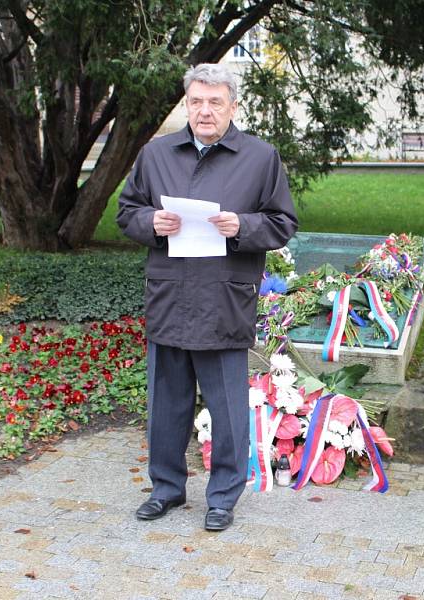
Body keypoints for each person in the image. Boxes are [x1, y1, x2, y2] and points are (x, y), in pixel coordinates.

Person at [116, 63, 298, 531]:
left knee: (228, 407)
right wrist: (149, 224)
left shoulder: (259, 158)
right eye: (196, 101)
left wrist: (244, 226)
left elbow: (282, 223)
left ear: (232, 107)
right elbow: (128, 211)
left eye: (215, 102)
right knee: (166, 404)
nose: (204, 111)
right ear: (186, 104)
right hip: (170, 296)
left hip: (223, 297)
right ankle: (166, 490)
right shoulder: (156, 155)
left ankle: (222, 497)